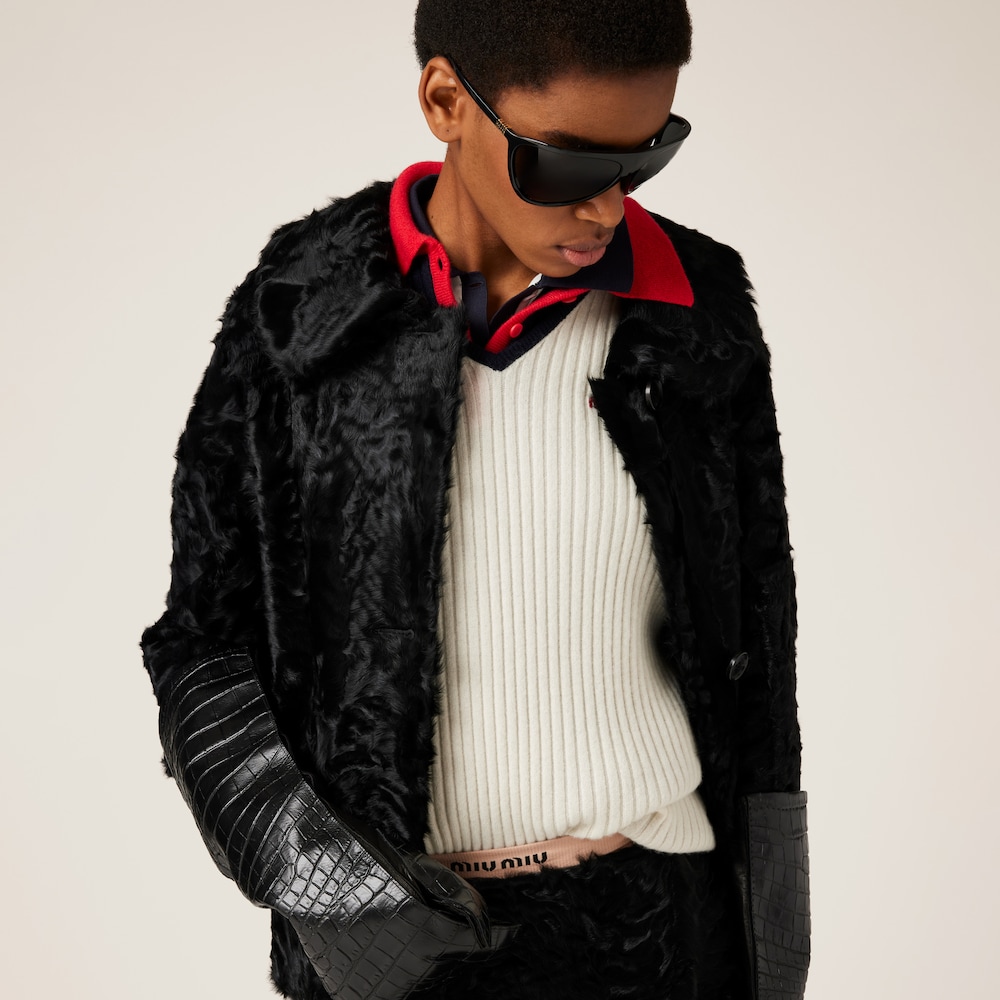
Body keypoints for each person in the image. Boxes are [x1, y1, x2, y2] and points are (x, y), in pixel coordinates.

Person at [141, 1, 810, 998]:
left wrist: (776, 938)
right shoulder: (300, 316)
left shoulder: (693, 312)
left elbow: (758, 625)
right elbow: (202, 645)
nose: (606, 209)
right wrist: (332, 893)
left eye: (644, 159)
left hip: (664, 927)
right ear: (446, 100)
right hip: (402, 947)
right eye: (569, 164)